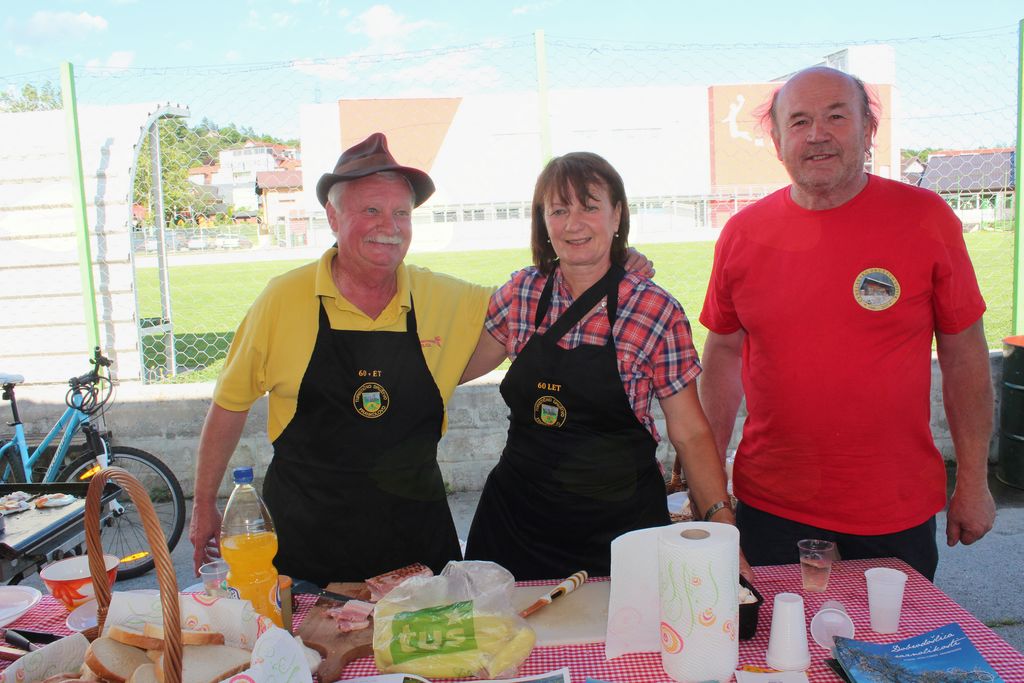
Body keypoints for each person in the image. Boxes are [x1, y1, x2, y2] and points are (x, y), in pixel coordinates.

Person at [698, 66, 996, 580]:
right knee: (777, 635)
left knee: (892, 633)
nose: (817, 134)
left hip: (893, 506)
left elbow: (964, 353)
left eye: (836, 117)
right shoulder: (742, 234)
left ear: (868, 130)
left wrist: (973, 479)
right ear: (777, 140)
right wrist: (709, 483)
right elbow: (722, 354)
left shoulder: (925, 218)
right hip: (771, 505)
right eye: (799, 121)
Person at [188, 133, 493, 585]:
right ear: (333, 217)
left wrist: (595, 257)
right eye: (371, 210)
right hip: (306, 547)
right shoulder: (282, 299)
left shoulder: (446, 297)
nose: (389, 226)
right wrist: (204, 504)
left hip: (416, 545)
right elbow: (230, 404)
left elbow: (526, 311)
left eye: (401, 213)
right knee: (303, 635)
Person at [460, 152, 744, 581]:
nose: (574, 224)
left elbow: (690, 432)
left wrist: (723, 531)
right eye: (559, 210)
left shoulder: (653, 309)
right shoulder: (522, 292)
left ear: (617, 215)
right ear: (543, 223)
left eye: (590, 207)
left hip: (620, 534)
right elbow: (456, 367)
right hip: (516, 527)